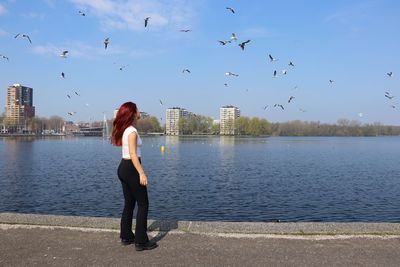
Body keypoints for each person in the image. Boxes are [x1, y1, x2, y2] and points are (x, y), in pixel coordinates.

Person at [111, 101, 158, 251]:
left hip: (124, 168)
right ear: (132, 113)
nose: (140, 110)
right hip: (131, 168)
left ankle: (126, 236)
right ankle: (141, 241)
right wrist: (142, 173)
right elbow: (133, 154)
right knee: (143, 204)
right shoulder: (131, 131)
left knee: (129, 203)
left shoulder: (126, 130)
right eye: (137, 109)